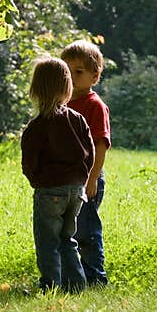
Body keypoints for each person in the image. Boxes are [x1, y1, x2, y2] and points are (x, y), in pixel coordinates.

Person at [21, 56, 95, 293]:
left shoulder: (38, 125)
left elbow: (29, 161)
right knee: (67, 239)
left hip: (49, 190)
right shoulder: (77, 119)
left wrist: (37, 181)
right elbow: (90, 153)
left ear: (36, 89)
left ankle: (50, 285)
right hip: (76, 190)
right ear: (67, 87)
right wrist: (82, 179)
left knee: (47, 241)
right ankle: (76, 285)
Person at [60, 40, 111, 287]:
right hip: (64, 177)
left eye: (78, 72)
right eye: (66, 71)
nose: (71, 77)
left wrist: (92, 178)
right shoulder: (62, 103)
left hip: (87, 178)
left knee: (86, 230)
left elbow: (100, 145)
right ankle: (70, 275)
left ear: (94, 75)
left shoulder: (94, 106)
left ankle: (95, 276)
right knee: (66, 229)